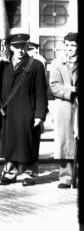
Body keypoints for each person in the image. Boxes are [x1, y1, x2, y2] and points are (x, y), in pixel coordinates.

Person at [0, 33, 48, 186]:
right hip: (8, 113)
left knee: (29, 144)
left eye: (23, 46)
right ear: (10, 47)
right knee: (10, 144)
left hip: (28, 112)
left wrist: (39, 114)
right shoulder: (3, 66)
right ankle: (9, 174)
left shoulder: (35, 65)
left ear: (27, 46)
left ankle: (30, 174)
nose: (20, 50)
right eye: (16, 46)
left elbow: (41, 92)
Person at [49, 32, 78, 188]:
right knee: (66, 143)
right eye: (67, 46)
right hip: (65, 108)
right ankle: (66, 177)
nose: (70, 49)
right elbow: (54, 86)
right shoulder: (57, 64)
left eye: (73, 46)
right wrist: (71, 91)